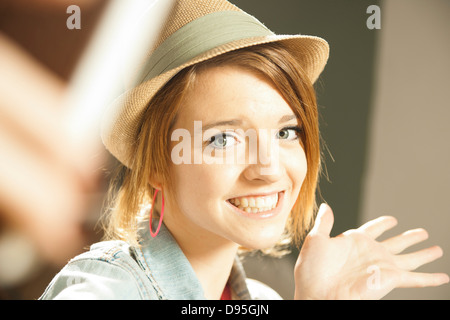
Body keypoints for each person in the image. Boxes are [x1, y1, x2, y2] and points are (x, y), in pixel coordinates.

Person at [40, 0, 448, 300]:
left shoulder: (260, 298)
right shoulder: (104, 294)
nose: (268, 169)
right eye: (222, 139)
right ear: (156, 165)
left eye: (287, 132)